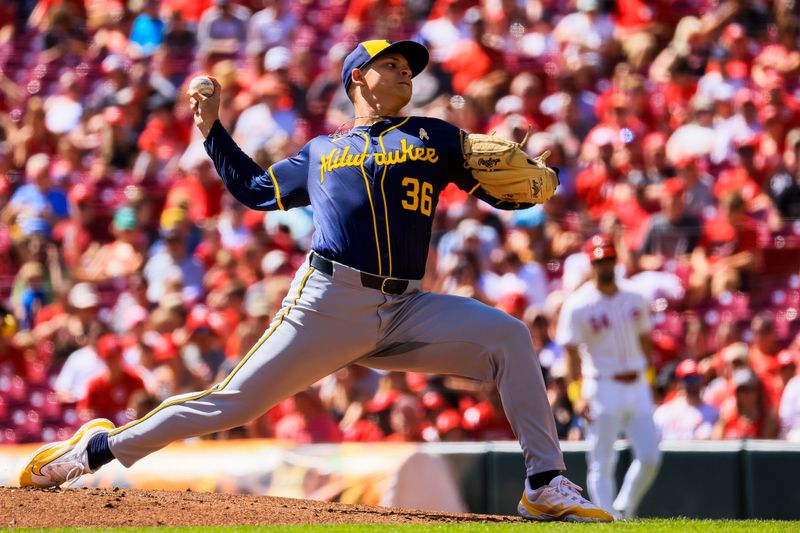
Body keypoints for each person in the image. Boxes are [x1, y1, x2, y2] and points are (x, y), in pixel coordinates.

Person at [19, 39, 611, 523]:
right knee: (229, 406)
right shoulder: (323, 151)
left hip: (408, 308)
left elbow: (496, 190)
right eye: (392, 65)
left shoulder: (435, 137)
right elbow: (255, 192)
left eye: (410, 68)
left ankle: (545, 480)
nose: (406, 74)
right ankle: (93, 451)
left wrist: (525, 188)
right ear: (358, 77)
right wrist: (212, 133)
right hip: (329, 303)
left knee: (509, 336)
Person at [556, 234, 662, 519]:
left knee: (651, 456)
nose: (605, 265)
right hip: (601, 385)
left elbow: (645, 340)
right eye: (599, 260)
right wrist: (576, 395)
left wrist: (649, 380)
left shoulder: (635, 295)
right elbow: (570, 355)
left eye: (609, 259)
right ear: (591, 263)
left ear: (616, 260)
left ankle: (625, 507)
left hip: (637, 382)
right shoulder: (578, 303)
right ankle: (608, 518)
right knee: (602, 461)